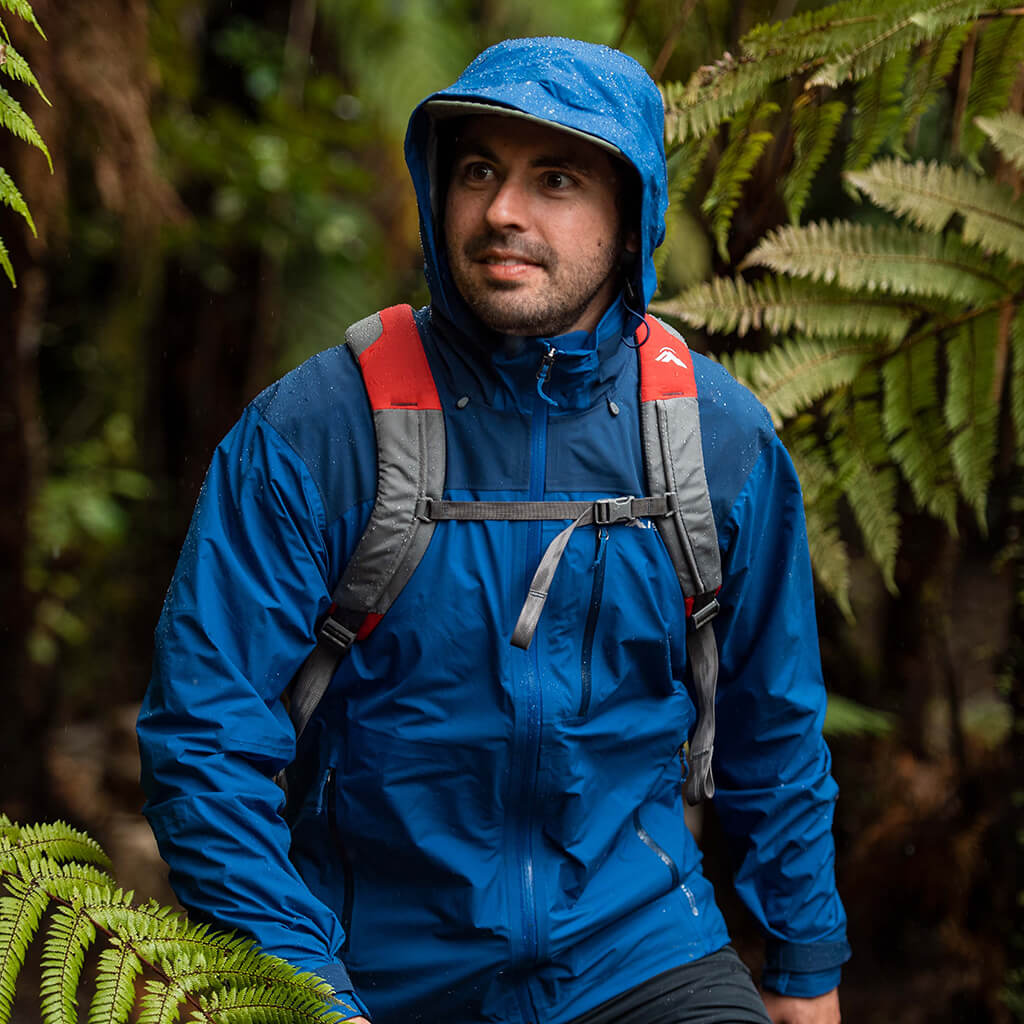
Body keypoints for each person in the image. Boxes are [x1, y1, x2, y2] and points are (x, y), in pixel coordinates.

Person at [137, 36, 850, 1024]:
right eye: (477, 170)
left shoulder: (713, 441)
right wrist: (301, 984)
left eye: (553, 178)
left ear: (630, 210)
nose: (502, 212)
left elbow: (772, 726)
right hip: (370, 967)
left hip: (640, 954)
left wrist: (803, 962)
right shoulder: (317, 433)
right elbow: (204, 740)